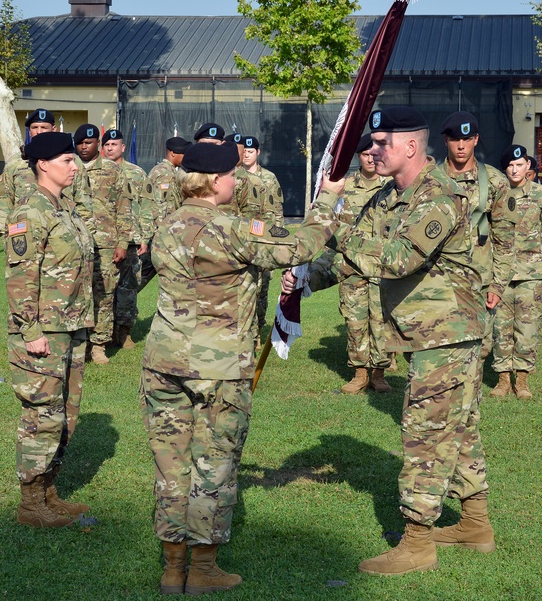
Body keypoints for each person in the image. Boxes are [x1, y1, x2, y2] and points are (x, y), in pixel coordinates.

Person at [288, 106, 496, 576]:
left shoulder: (441, 196)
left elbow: (398, 260)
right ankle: (476, 524)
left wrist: (333, 223)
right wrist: (304, 280)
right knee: (457, 429)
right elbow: (357, 253)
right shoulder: (388, 196)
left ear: (410, 146)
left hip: (447, 333)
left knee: (425, 433)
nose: (373, 150)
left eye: (382, 143)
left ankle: (418, 541)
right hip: (424, 333)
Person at [140, 141, 344, 595]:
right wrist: (328, 197)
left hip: (164, 363)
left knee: (170, 465)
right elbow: (302, 244)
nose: (236, 180)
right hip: (219, 368)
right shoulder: (231, 229)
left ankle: (173, 568)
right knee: (215, 463)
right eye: (231, 174)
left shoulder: (167, 225)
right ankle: (205, 567)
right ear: (214, 181)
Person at [5, 131, 94, 528]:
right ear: (43, 165)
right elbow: (21, 278)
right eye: (66, 161)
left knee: (65, 415)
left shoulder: (64, 209)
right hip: (43, 331)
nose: (74, 167)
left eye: (74, 160)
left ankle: (48, 492)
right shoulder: (31, 211)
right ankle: (30, 504)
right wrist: (30, 331)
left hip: (72, 326)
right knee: (41, 415)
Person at [435, 112, 516, 400]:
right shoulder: (430, 181)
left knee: (478, 347)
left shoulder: (494, 181)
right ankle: (441, 403)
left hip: (479, 282)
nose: (460, 145)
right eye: (455, 139)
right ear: (445, 140)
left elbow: (505, 240)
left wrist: (497, 284)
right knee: (438, 347)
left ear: (476, 140)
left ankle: (467, 407)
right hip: (437, 281)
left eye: (466, 139)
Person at [491, 145, 542, 399]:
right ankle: (502, 379)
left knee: (528, 328)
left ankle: (522, 380)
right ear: (505, 168)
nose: (514, 169)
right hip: (499, 273)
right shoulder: (495, 194)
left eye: (519, 164)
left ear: (527, 168)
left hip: (531, 272)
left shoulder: (541, 195)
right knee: (501, 328)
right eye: (510, 165)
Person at [325, 133, 394, 394]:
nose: (369, 158)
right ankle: (359, 373)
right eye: (364, 154)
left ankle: (379, 373)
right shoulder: (344, 185)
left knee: (381, 321)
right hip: (351, 266)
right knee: (354, 321)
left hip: (380, 266)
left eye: (373, 154)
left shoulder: (390, 186)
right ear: (358, 157)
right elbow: (331, 224)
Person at [74, 124, 133, 362]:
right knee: (76, 293)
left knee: (104, 294)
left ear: (98, 143)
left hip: (105, 243)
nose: (85, 147)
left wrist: (123, 242)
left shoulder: (112, 170)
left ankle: (99, 345)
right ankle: (79, 342)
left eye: (89, 143)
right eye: (81, 143)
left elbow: (124, 207)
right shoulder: (67, 166)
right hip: (74, 242)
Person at [0, 109, 93, 239]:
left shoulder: (72, 161)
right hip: (25, 230)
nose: (39, 131)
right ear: (29, 131)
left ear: (54, 129)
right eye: (35, 127)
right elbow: (6, 199)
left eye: (44, 127)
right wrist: (4, 232)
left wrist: (83, 233)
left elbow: (83, 200)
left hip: (63, 232)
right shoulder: (15, 163)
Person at [104, 129, 158, 355]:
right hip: (104, 240)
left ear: (123, 147)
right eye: (106, 144)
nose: (109, 148)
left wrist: (145, 236)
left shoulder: (136, 174)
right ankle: (101, 335)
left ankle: (123, 331)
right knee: (102, 288)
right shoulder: (94, 172)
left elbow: (147, 206)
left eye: (114, 144)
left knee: (128, 288)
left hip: (132, 240)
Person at [240, 135, 285, 333]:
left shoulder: (269, 178)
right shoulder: (235, 177)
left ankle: (258, 327)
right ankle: (246, 329)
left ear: (258, 152)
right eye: (244, 151)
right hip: (242, 239)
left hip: (264, 240)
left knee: (262, 289)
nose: (246, 155)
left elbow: (277, 212)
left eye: (250, 151)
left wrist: (278, 241)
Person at [150, 136, 189, 222]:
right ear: (173, 153)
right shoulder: (164, 173)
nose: (185, 157)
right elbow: (161, 204)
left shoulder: (169, 171)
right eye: (183, 154)